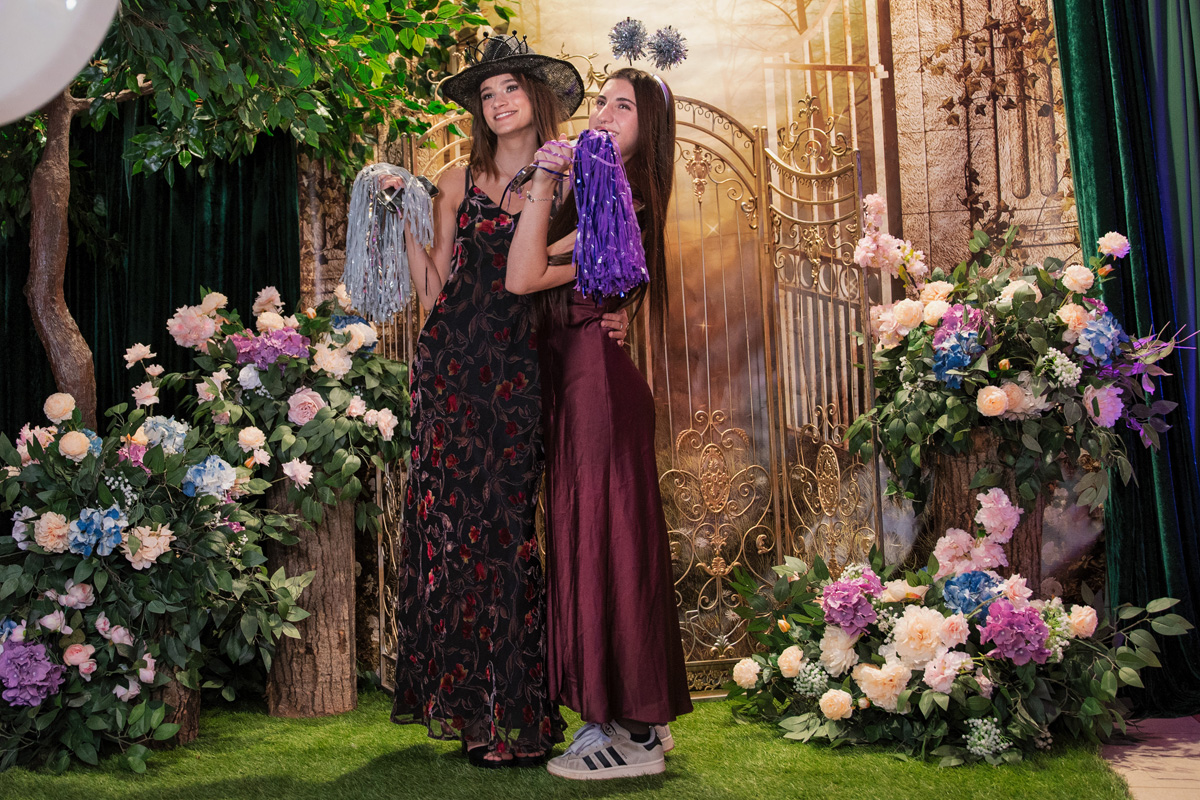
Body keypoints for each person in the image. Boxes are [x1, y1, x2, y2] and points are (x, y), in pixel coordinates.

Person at [387, 35, 626, 769]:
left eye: (509, 90)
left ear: (536, 97)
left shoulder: (574, 171)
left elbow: (608, 252)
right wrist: (403, 218)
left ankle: (517, 716)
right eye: (486, 96)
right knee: (452, 536)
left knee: (508, 537)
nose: (497, 104)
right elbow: (433, 289)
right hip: (451, 367)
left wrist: (607, 301)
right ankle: (467, 711)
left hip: (519, 372)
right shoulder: (456, 179)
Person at [506, 67, 693, 780]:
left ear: (649, 126)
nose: (607, 114)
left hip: (597, 391)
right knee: (595, 542)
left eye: (626, 105)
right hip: (577, 384)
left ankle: (638, 731)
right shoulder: (599, 186)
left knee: (610, 545)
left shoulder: (628, 196)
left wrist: (543, 190)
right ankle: (618, 712)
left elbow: (526, 271)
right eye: (602, 102)